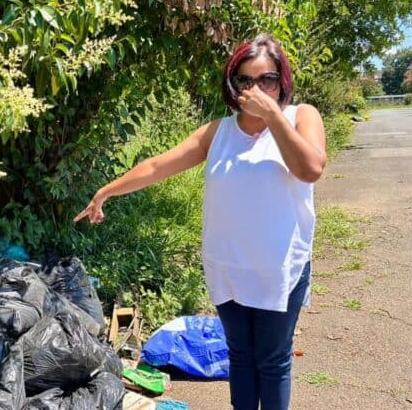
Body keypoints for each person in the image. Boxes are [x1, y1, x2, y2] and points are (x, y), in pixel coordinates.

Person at [73, 34, 327, 410]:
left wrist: (272, 115)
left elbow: (311, 168)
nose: (256, 89)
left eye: (267, 79)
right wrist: (107, 191)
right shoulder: (218, 132)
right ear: (233, 85)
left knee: (272, 361)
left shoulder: (300, 117)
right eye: (246, 80)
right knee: (240, 356)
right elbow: (158, 166)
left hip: (279, 268)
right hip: (228, 267)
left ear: (282, 81)